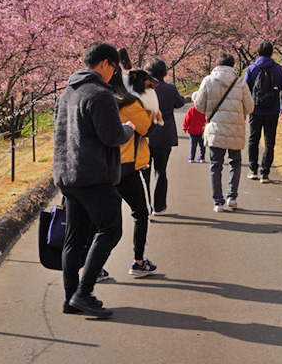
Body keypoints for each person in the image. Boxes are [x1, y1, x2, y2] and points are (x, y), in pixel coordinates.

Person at [53, 42, 135, 318]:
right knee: (111, 229)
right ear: (105, 64)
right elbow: (111, 136)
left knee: (74, 238)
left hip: (68, 175)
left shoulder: (67, 92)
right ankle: (83, 293)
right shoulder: (100, 94)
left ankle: (70, 298)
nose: (114, 75)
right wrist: (128, 130)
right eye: (114, 68)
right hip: (93, 175)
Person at [111, 66, 159, 277]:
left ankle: (92, 267)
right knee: (140, 213)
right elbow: (146, 129)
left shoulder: (98, 99)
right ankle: (138, 261)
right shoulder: (129, 103)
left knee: (101, 221)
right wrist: (151, 115)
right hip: (125, 166)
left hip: (99, 166)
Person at [192, 53, 254, 213]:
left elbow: (199, 105)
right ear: (233, 66)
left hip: (215, 129)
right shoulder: (240, 82)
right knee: (235, 163)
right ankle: (232, 197)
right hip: (235, 128)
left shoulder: (208, 80)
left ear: (217, 65)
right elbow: (250, 107)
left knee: (215, 165)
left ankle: (218, 202)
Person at [244, 40, 282, 183]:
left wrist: (245, 109)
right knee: (269, 141)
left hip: (255, 110)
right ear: (272, 53)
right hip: (272, 110)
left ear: (257, 53)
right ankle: (265, 173)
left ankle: (253, 170)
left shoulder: (251, 69)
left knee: (253, 140)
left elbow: (245, 90)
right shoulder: (279, 69)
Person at [144, 58, 185, 214]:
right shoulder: (170, 89)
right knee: (161, 171)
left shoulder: (142, 89)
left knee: (144, 173)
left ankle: (145, 206)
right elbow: (180, 103)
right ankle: (159, 206)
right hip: (163, 136)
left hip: (144, 136)